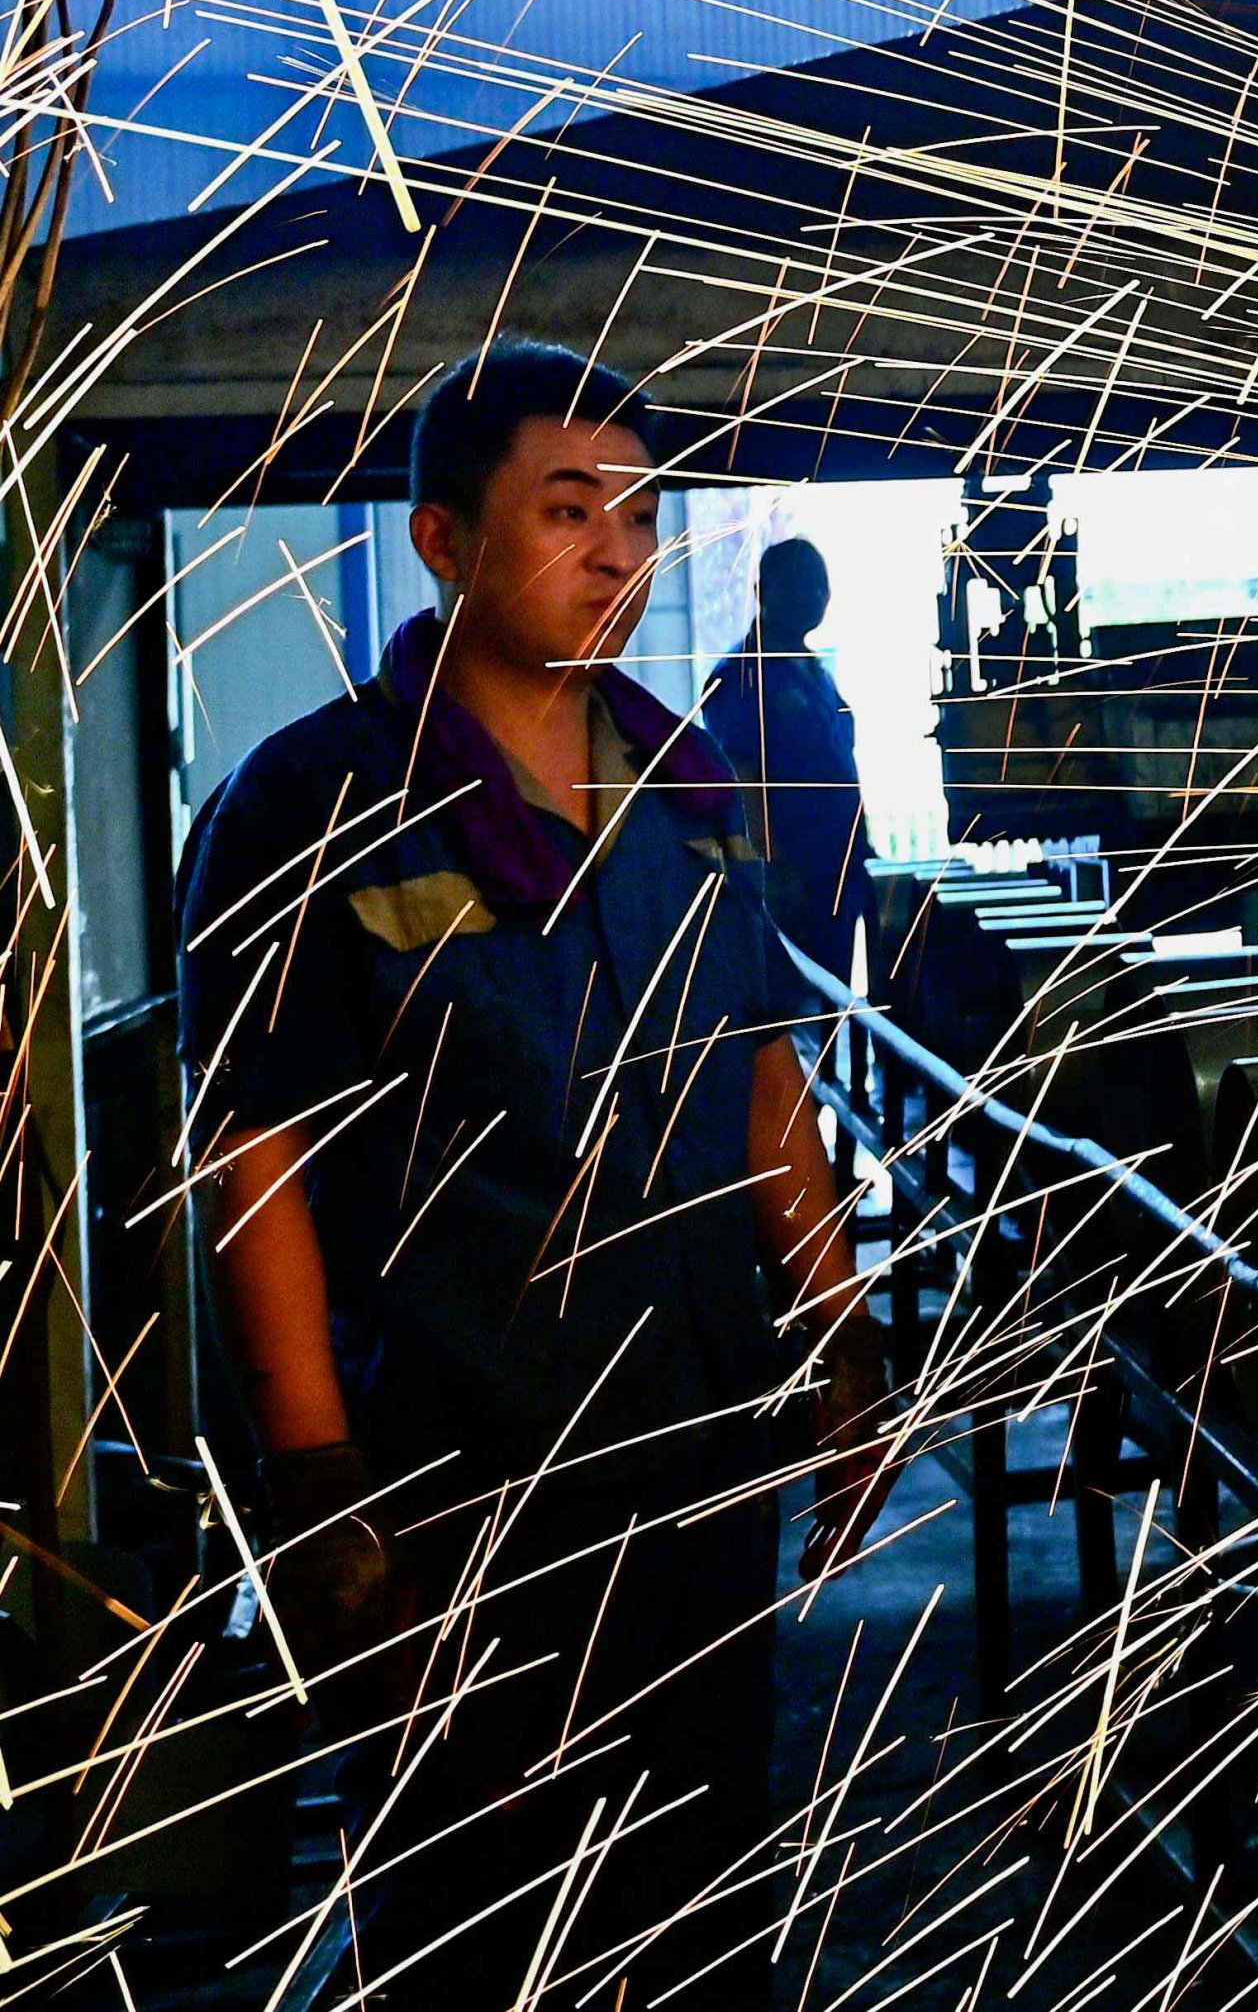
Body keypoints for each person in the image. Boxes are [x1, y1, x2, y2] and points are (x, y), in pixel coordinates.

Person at [180, 342, 897, 2010]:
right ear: (442, 540)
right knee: (471, 1912)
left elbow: (761, 1078)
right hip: (457, 1482)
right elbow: (256, 1151)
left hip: (694, 1454)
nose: (615, 554)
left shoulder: (691, 794)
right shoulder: (313, 805)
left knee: (700, 1890)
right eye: (568, 511)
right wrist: (319, 1486)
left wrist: (844, 1343)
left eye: (640, 518)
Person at [703, 535, 868, 992]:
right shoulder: (741, 674)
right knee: (793, 1003)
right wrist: (769, 871)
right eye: (798, 583)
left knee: (834, 989)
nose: (813, 596)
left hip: (838, 862)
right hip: (792, 874)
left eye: (820, 585)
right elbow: (742, 776)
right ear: (762, 591)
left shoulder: (813, 669)